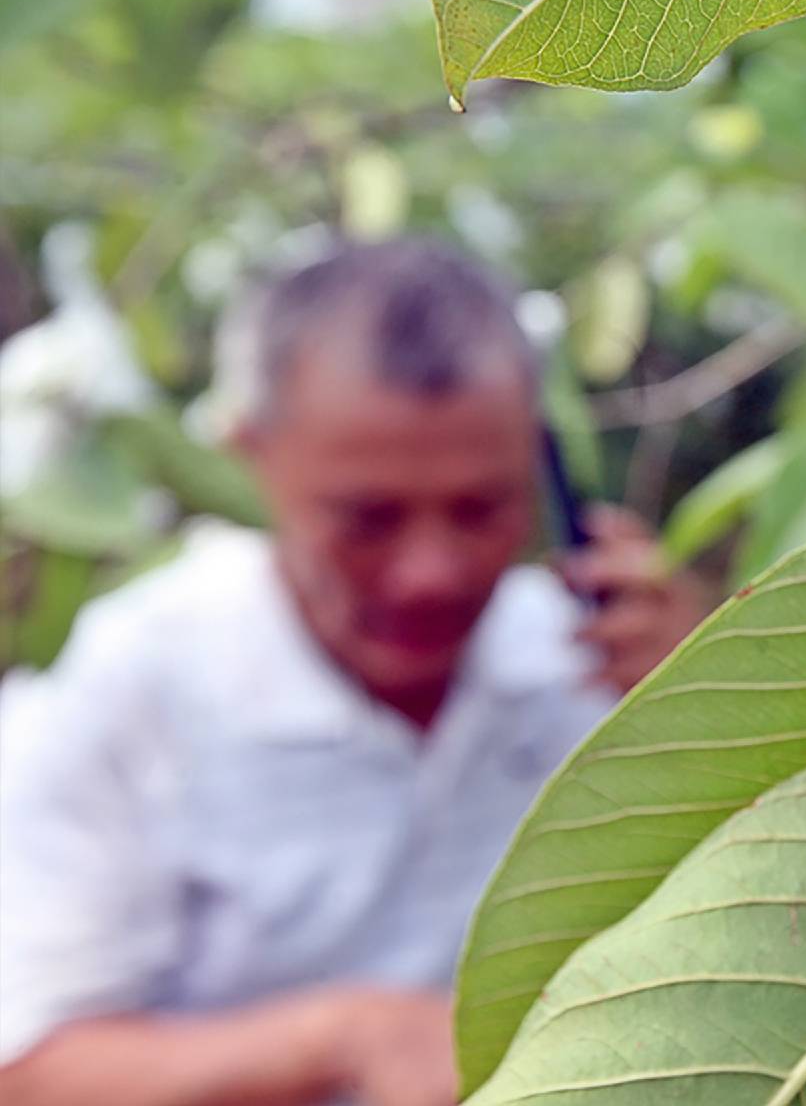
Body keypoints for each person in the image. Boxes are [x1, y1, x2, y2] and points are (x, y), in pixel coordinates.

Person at [0, 239, 709, 1105]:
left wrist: (725, 710)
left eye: (483, 507)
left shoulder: (598, 664)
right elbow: (30, 1071)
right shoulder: (135, 684)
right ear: (248, 453)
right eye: (366, 518)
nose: (432, 573)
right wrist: (348, 1039)